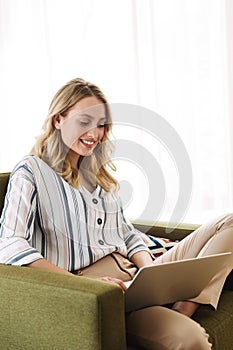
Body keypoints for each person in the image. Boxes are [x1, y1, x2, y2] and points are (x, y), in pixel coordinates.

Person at [0, 77, 232, 350]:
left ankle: (182, 306)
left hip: (138, 276)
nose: (94, 133)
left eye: (100, 125)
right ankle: (177, 311)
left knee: (228, 224)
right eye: (84, 121)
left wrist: (151, 272)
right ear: (58, 119)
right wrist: (78, 284)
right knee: (191, 340)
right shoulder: (31, 171)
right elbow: (9, 245)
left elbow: (127, 234)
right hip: (99, 291)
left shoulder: (97, 174)